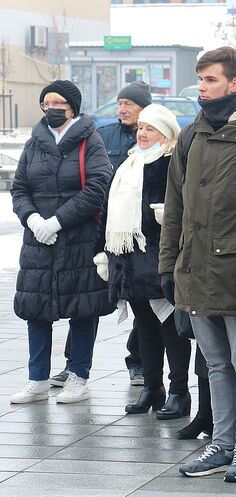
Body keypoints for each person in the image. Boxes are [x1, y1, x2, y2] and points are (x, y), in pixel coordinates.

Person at [161, 46, 236, 483]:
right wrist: (167, 265)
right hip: (194, 271)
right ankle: (222, 442)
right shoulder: (191, 135)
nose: (202, 87)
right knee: (215, 363)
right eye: (200, 80)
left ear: (234, 84)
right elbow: (174, 205)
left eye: (211, 80)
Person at [9, 80, 113, 405]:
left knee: (82, 309)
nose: (52, 108)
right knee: (35, 309)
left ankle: (78, 375)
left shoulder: (90, 140)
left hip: (78, 240)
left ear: (72, 107)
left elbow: (97, 187)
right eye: (47, 102)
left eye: (59, 103)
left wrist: (58, 220)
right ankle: (37, 378)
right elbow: (19, 188)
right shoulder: (34, 143)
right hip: (38, 241)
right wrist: (33, 219)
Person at [47, 80, 153, 389]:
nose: (122, 109)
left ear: (144, 108)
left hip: (140, 233)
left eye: (129, 104)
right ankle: (73, 365)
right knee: (86, 299)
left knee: (142, 300)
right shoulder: (103, 136)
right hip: (102, 229)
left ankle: (139, 362)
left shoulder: (154, 138)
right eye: (120, 103)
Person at [96, 104, 192, 419]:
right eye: (140, 128)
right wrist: (102, 251)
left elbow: (183, 210)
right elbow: (109, 212)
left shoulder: (171, 163)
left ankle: (179, 392)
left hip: (159, 259)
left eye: (150, 128)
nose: (142, 133)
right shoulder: (129, 163)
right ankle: (152, 387)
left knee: (171, 328)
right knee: (145, 327)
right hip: (128, 260)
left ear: (165, 133)